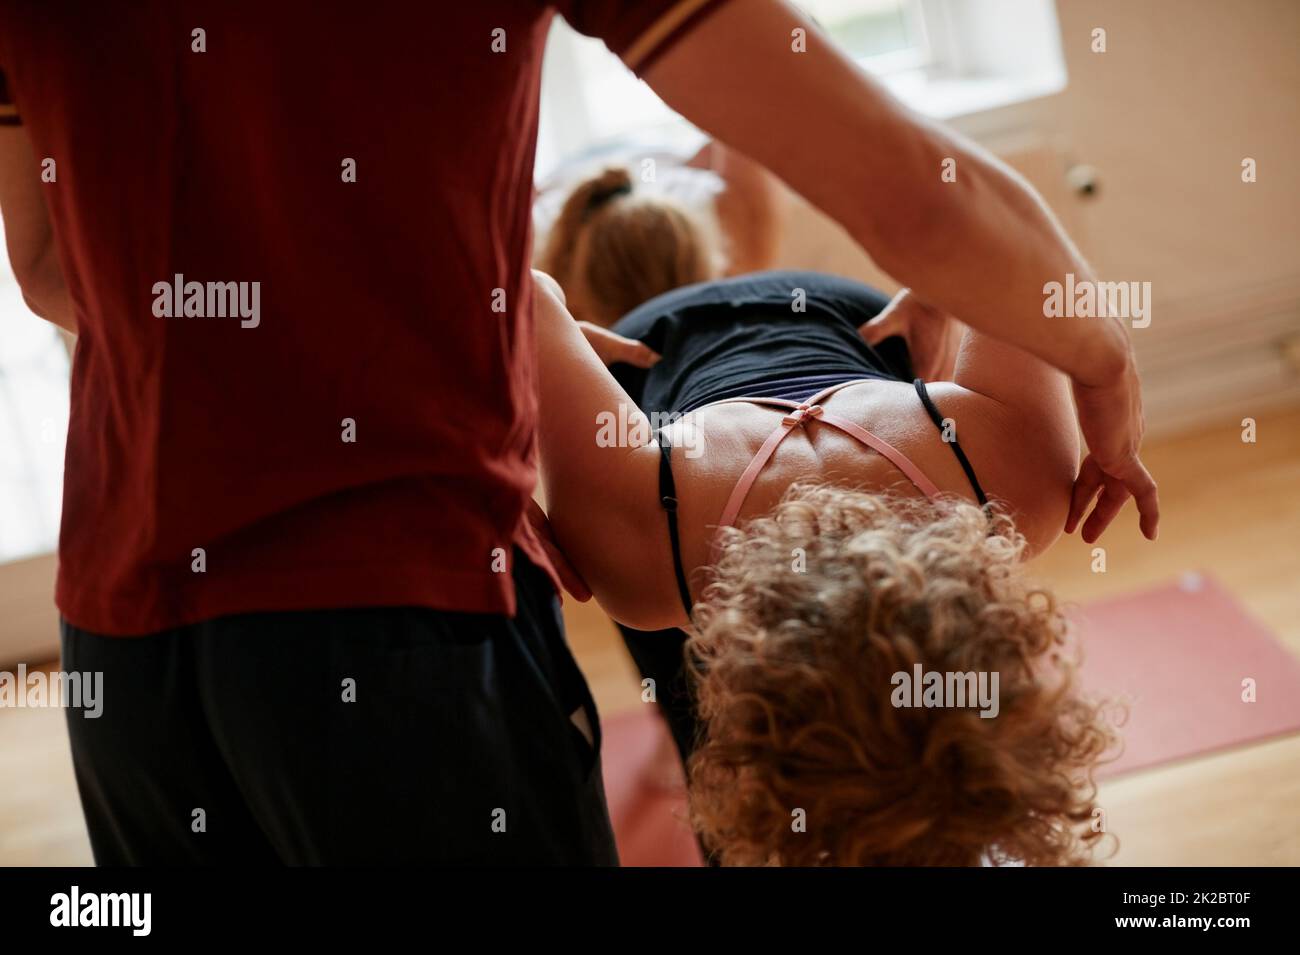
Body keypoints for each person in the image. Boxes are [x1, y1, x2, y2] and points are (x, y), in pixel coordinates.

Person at [0, 0, 1155, 865]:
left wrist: (1080, 357)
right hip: (397, 602)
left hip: (130, 617)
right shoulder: (668, 554)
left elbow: (57, 274)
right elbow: (916, 198)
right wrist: (1092, 356)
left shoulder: (981, 483)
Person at [533, 268, 1116, 864]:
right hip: (663, 352)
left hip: (844, 318)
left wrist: (950, 281)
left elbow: (1023, 266)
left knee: (665, 641)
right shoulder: (641, 561)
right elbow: (523, 298)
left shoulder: (1017, 487)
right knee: (666, 633)